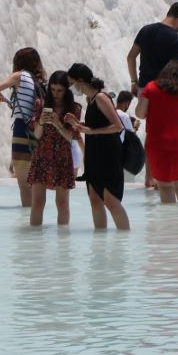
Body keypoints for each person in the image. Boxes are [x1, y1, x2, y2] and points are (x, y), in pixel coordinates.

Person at [65, 63, 128, 230]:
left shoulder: (101, 97)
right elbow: (96, 125)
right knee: (95, 198)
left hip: (108, 155)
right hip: (94, 154)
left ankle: (124, 242)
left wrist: (91, 131)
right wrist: (79, 124)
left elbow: (118, 126)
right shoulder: (90, 99)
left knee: (111, 201)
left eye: (71, 82)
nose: (71, 87)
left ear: (80, 81)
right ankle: (100, 242)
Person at [0, 47, 46, 208]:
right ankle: (37, 219)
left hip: (22, 131)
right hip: (38, 132)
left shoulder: (20, 75)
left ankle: (29, 225)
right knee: (35, 184)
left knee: (24, 185)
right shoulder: (39, 82)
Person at [136, 60, 178, 204]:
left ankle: (171, 226)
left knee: (165, 187)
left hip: (159, 145)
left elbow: (140, 113)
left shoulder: (151, 88)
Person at [27, 71, 80, 226]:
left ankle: (63, 245)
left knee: (62, 204)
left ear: (66, 90)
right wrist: (41, 122)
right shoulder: (40, 105)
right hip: (42, 156)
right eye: (53, 89)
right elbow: (37, 135)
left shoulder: (73, 108)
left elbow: (72, 137)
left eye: (60, 90)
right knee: (37, 203)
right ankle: (34, 244)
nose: (55, 94)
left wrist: (58, 124)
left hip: (62, 157)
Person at [127, 1, 178, 97]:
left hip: (144, 89)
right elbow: (177, 72)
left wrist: (134, 82)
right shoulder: (176, 39)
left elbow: (130, 57)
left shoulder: (146, 30)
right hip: (163, 93)